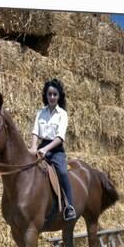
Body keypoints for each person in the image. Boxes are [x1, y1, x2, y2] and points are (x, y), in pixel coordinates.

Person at [29, 78, 77, 221]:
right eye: (49, 94)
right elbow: (35, 132)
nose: (52, 97)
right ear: (46, 95)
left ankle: (69, 206)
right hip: (41, 147)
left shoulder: (62, 114)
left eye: (55, 94)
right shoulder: (40, 113)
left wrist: (46, 149)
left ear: (59, 96)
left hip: (56, 149)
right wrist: (33, 147)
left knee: (62, 171)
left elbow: (60, 138)